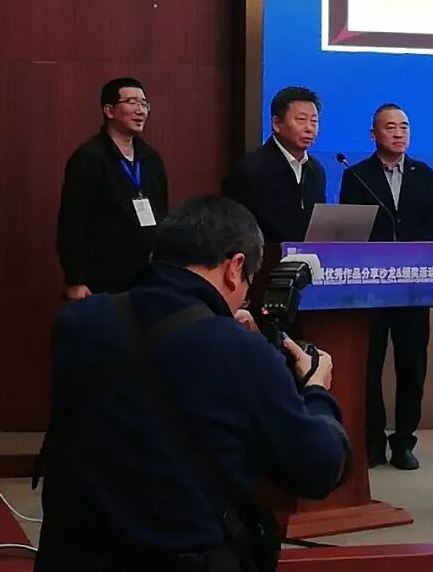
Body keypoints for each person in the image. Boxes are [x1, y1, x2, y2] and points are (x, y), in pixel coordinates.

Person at [35, 196, 350, 572]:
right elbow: (317, 469)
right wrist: (315, 389)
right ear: (235, 267)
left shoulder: (76, 323)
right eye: (247, 284)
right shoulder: (242, 353)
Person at [338, 104, 433, 471]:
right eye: (390, 127)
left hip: (412, 287)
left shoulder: (423, 174)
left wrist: (404, 255)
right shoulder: (357, 175)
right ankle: (372, 441)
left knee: (412, 366)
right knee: (369, 367)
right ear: (374, 134)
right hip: (371, 288)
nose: (398, 133)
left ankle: (404, 442)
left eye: (404, 127)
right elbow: (351, 227)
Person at [56, 78, 169, 299]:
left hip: (149, 276)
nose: (140, 110)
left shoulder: (150, 158)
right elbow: (72, 222)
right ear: (109, 110)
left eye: (144, 104)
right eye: (132, 102)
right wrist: (75, 279)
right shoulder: (89, 158)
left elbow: (163, 213)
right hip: (103, 280)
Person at [221, 87, 326, 244]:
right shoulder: (250, 171)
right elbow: (234, 230)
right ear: (276, 123)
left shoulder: (316, 170)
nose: (309, 128)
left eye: (314, 121)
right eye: (301, 120)